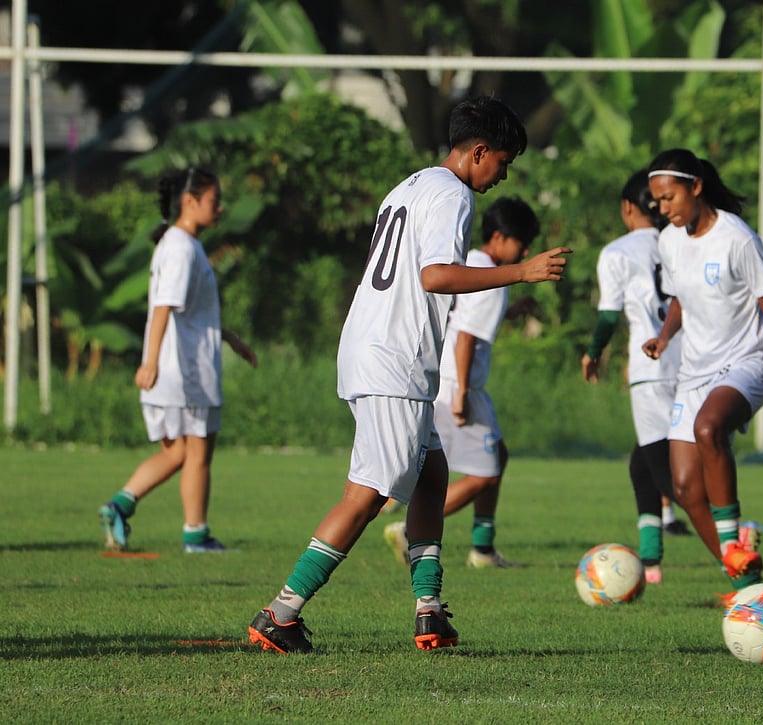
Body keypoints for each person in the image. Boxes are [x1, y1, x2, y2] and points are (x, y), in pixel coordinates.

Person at [247, 97, 571, 655]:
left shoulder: (411, 185)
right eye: (504, 162)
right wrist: (522, 271)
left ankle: (429, 611)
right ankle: (281, 613)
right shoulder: (452, 194)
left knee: (431, 472)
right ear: (479, 152)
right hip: (393, 359)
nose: (504, 174)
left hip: (377, 349)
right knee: (370, 494)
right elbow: (435, 275)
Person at [640, 148, 763, 597]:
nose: (664, 209)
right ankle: (748, 583)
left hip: (749, 361)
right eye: (658, 202)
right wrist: (665, 337)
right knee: (685, 489)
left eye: (669, 198)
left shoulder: (737, 239)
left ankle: (732, 544)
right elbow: (681, 299)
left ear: (696, 187)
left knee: (709, 427)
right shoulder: (668, 240)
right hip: (694, 370)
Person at [98, 168, 258, 554]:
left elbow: (190, 312)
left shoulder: (180, 245)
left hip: (180, 366)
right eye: (212, 201)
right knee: (198, 452)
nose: (219, 208)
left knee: (178, 452)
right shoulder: (182, 247)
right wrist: (149, 361)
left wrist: (230, 338)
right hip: (186, 370)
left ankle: (120, 506)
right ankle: (196, 535)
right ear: (190, 201)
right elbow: (163, 307)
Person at [383, 196, 542, 570]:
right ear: (501, 238)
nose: (527, 251)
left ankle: (483, 549)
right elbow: (467, 336)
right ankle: (408, 530)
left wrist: (513, 310)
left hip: (448, 378)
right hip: (461, 384)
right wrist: (463, 395)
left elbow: (461, 317)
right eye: (523, 242)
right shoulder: (495, 280)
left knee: (497, 457)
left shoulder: (472, 261)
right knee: (484, 475)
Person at [581, 169, 691, 586]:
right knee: (642, 464)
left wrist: (593, 352)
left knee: (665, 469)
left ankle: (732, 535)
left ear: (628, 207)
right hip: (691, 362)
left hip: (652, 367)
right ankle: (650, 561)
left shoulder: (618, 252)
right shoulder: (680, 241)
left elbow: (609, 314)